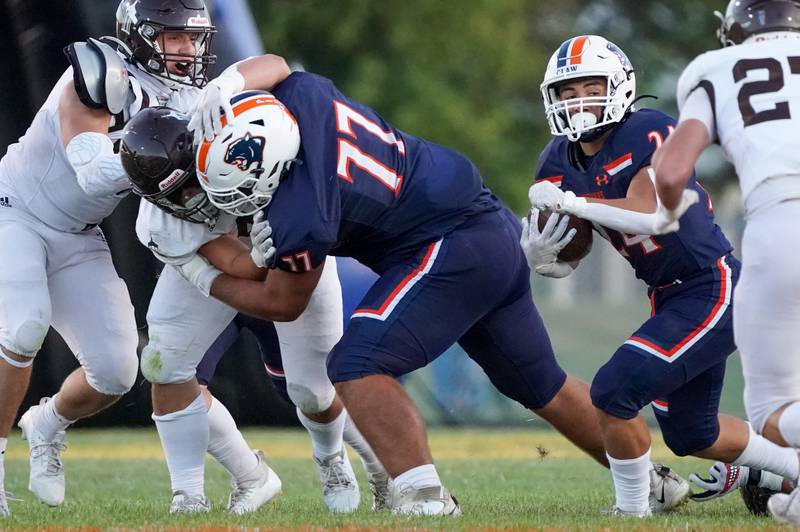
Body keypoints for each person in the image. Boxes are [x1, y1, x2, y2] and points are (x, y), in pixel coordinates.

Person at [175, 67, 691, 514]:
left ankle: (425, 496)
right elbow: (276, 64)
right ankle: (650, 482)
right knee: (540, 385)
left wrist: (201, 270)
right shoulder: (300, 98)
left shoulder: (300, 211)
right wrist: (226, 86)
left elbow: (282, 303)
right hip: (484, 225)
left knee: (356, 363)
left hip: (449, 243)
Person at [525, 34, 799, 518]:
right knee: (694, 433)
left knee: (613, 391)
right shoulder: (556, 160)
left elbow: (651, 213)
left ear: (620, 86)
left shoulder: (647, 129)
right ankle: (790, 466)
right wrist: (549, 257)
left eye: (591, 85)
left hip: (711, 285)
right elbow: (579, 240)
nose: (579, 100)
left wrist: (570, 202)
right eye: (568, 91)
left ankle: (632, 511)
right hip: (669, 295)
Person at [0, 0, 222, 516]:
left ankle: (47, 423)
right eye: (174, 37)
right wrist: (159, 156)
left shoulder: (194, 98)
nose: (188, 50)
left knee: (117, 373)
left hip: (78, 233)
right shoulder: (104, 72)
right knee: (23, 328)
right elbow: (93, 173)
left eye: (194, 38)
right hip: (16, 212)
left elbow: (269, 67)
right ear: (141, 36)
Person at [120, 106, 389, 514]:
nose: (188, 201)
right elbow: (235, 267)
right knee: (164, 361)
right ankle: (192, 493)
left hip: (296, 252)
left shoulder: (246, 148)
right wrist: (257, 259)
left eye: (189, 186)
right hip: (221, 267)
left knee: (312, 391)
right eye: (173, 197)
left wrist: (286, 238)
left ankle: (355, 461)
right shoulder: (163, 221)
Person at [651, 0, 800, 524]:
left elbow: (670, 171)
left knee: (774, 416)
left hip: (782, 220)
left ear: (735, 28)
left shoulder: (714, 69)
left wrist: (667, 215)